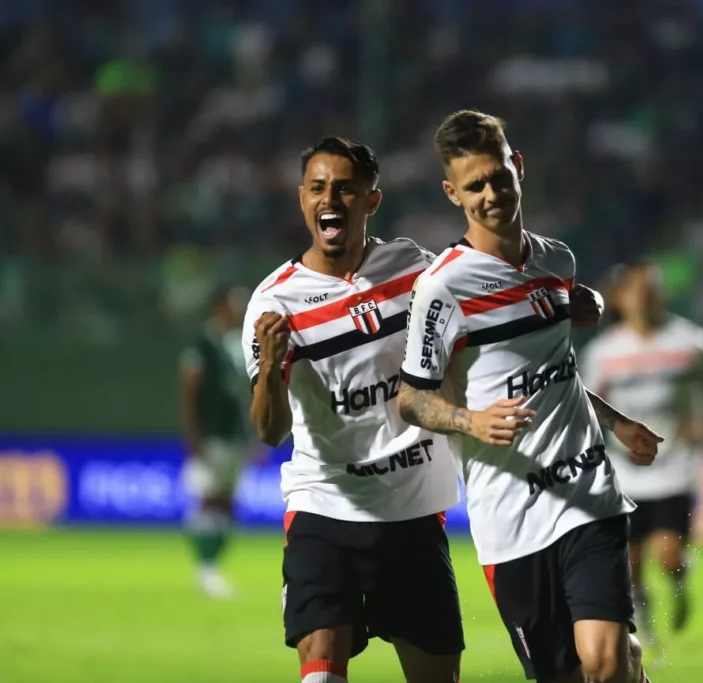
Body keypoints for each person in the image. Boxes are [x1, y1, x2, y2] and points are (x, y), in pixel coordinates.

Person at [244, 135, 605, 683]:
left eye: (345, 189)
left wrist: (572, 299)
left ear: (372, 200)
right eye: (317, 188)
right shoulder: (274, 303)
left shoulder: (415, 268)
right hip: (327, 508)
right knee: (320, 669)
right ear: (302, 199)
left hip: (414, 515)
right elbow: (271, 432)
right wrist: (271, 367)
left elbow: (487, 291)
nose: (330, 199)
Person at [397, 109, 660, 683]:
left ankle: (621, 659)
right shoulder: (441, 288)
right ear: (452, 193)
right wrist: (470, 421)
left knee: (604, 662)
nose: (491, 194)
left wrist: (615, 422)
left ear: (518, 166)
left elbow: (556, 371)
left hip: (586, 489)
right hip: (509, 513)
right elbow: (411, 399)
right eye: (474, 186)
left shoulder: (556, 261)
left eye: (498, 177)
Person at [580, 260, 703, 648]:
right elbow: (587, 403)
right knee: (629, 565)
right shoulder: (604, 352)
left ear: (662, 295)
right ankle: (646, 633)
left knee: (667, 555)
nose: (643, 298)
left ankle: (678, 584)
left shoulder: (691, 342)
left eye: (650, 290)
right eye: (635, 291)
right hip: (624, 469)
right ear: (621, 299)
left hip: (675, 465)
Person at [180, 284, 255, 599]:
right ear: (219, 307)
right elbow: (189, 391)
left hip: (233, 435)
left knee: (227, 503)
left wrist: (251, 436)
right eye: (234, 306)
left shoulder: (236, 345)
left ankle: (214, 566)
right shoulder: (202, 344)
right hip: (211, 435)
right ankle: (205, 568)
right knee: (209, 499)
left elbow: (241, 397)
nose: (239, 312)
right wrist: (193, 435)